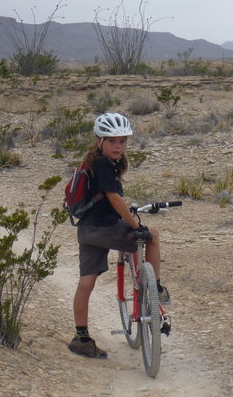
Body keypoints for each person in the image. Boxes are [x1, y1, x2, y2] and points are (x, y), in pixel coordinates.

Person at [68, 112, 170, 359]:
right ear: (99, 141)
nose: (118, 146)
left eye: (122, 141)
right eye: (112, 141)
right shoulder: (104, 164)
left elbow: (108, 199)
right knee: (152, 234)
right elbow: (114, 198)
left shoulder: (90, 164)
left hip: (87, 231)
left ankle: (81, 337)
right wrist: (135, 225)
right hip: (105, 229)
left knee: (86, 283)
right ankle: (155, 288)